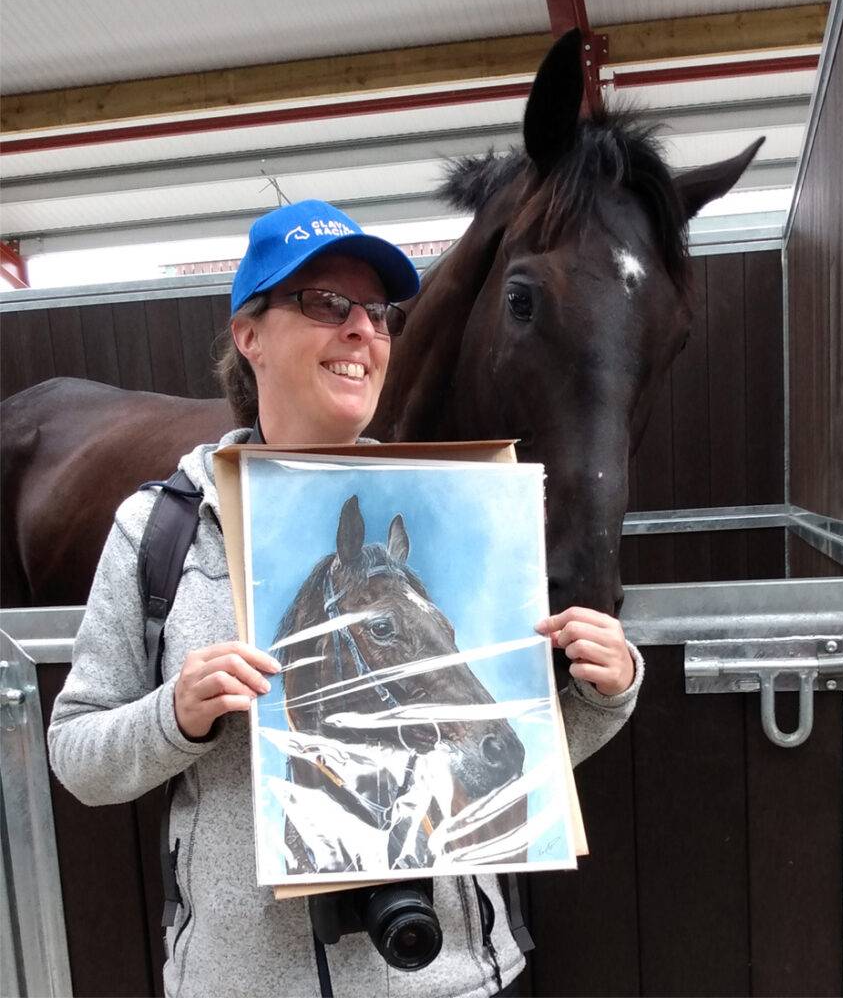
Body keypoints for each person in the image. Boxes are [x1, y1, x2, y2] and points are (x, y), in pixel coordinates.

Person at [47, 199, 644, 998]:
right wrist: (176, 716)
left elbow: (496, 761)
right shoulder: (161, 529)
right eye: (326, 303)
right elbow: (78, 754)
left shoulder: (453, 510)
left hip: (449, 980)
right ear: (248, 334)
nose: (362, 330)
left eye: (378, 312)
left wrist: (606, 694)